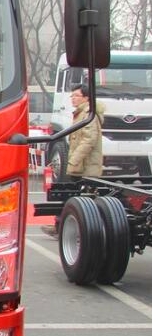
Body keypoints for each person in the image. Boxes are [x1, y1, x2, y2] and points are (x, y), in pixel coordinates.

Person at [42, 83, 104, 237]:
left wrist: (73, 161)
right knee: (70, 196)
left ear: (86, 98)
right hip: (79, 165)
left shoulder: (89, 114)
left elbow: (89, 140)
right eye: (72, 95)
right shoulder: (80, 113)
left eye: (76, 95)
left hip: (85, 166)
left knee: (78, 198)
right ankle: (60, 226)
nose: (72, 98)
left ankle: (70, 229)